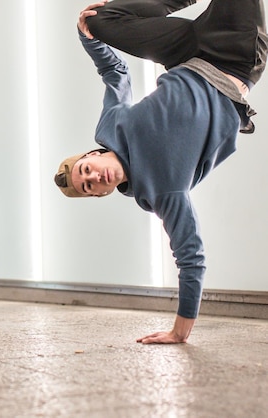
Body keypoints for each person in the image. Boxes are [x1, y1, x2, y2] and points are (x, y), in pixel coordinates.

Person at [54, 0, 267, 344]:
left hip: (188, 54)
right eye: (90, 187)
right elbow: (190, 257)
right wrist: (179, 331)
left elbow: (116, 75)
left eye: (87, 171)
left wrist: (88, 40)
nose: (94, 179)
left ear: (92, 155)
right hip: (234, 58)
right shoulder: (160, 192)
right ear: (102, 194)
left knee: (100, 20)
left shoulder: (110, 125)